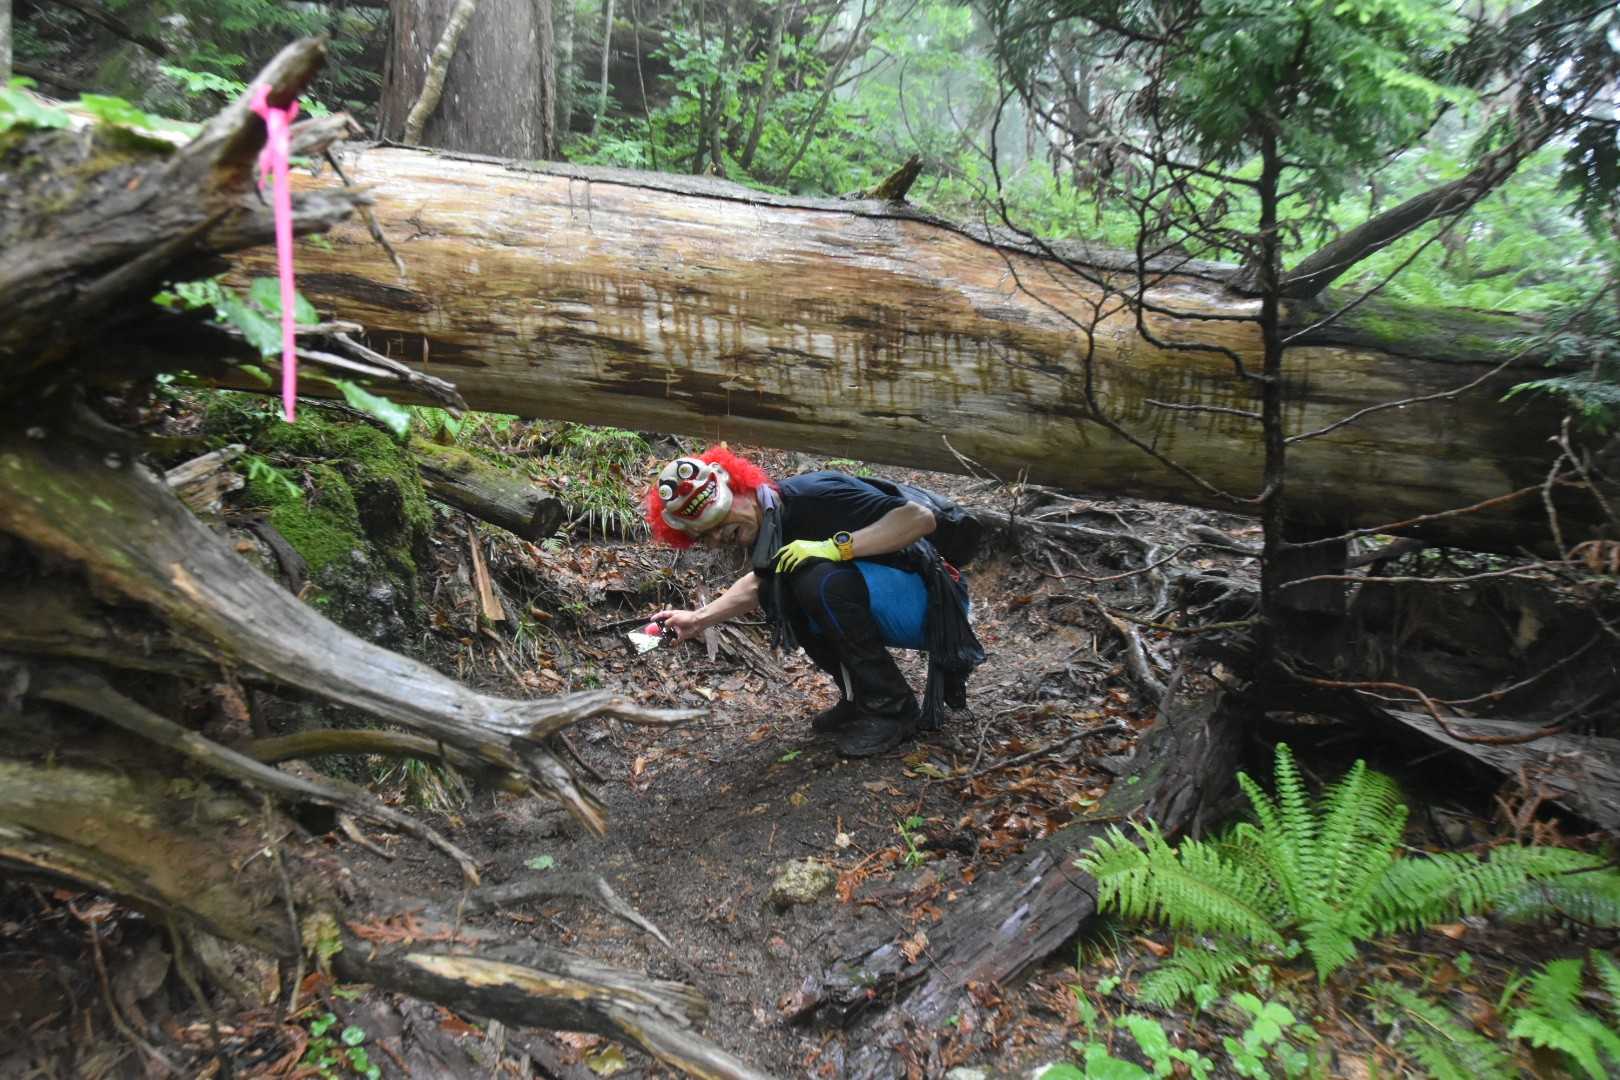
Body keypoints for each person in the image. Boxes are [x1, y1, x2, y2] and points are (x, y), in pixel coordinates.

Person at [644, 445, 984, 757]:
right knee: (784, 585)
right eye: (707, 535)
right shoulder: (770, 523)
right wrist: (697, 620)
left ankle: (892, 709)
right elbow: (759, 584)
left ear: (741, 489)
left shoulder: (815, 494)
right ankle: (859, 699)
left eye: (719, 521)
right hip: (895, 598)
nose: (719, 537)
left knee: (813, 578)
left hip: (936, 603)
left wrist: (833, 547)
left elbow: (920, 518)